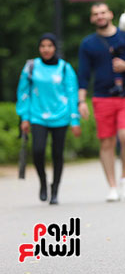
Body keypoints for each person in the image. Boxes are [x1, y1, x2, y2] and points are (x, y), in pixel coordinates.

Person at [78, 2, 125, 201]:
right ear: (92, 19)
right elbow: (83, 74)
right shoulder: (88, 43)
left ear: (110, 14)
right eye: (95, 14)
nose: (100, 16)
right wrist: (81, 101)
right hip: (102, 96)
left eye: (103, 12)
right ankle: (111, 186)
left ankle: (124, 178)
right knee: (107, 141)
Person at [16, 33, 81, 205]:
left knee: (57, 154)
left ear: (55, 48)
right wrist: (24, 117)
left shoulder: (65, 68)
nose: (46, 49)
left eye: (49, 46)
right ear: (39, 48)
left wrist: (75, 120)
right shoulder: (31, 67)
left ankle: (55, 189)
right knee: (38, 151)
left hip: (61, 116)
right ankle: (43, 182)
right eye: (43, 46)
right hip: (38, 116)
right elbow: (23, 93)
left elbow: (72, 94)